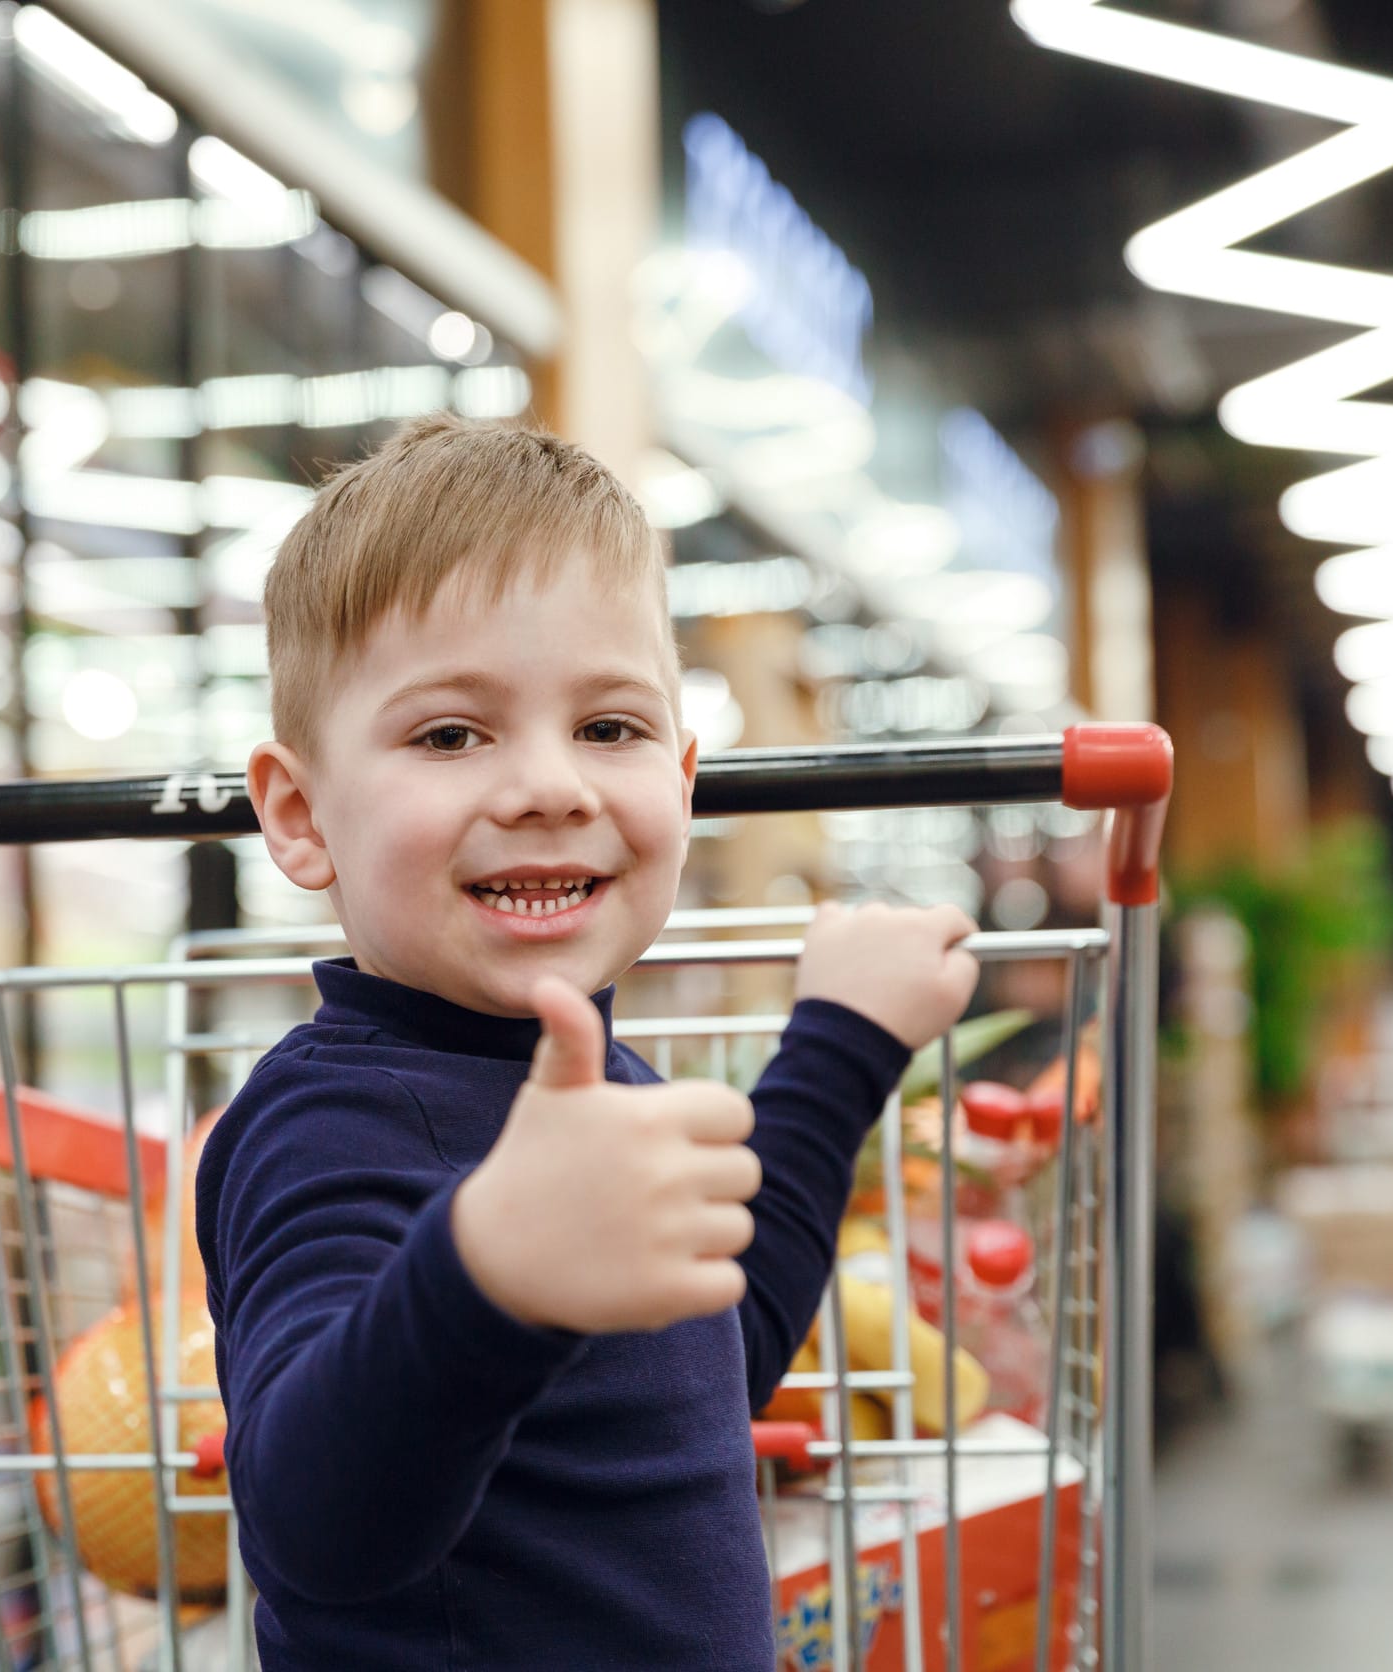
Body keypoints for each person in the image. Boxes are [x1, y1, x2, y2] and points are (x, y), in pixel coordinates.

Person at [193, 414, 980, 1669]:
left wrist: (841, 1043)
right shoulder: (328, 1125)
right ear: (299, 814)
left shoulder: (596, 1088)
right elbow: (314, 1524)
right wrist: (489, 1268)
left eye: (608, 729)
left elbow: (721, 1349)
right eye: (451, 734)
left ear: (683, 775)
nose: (550, 784)